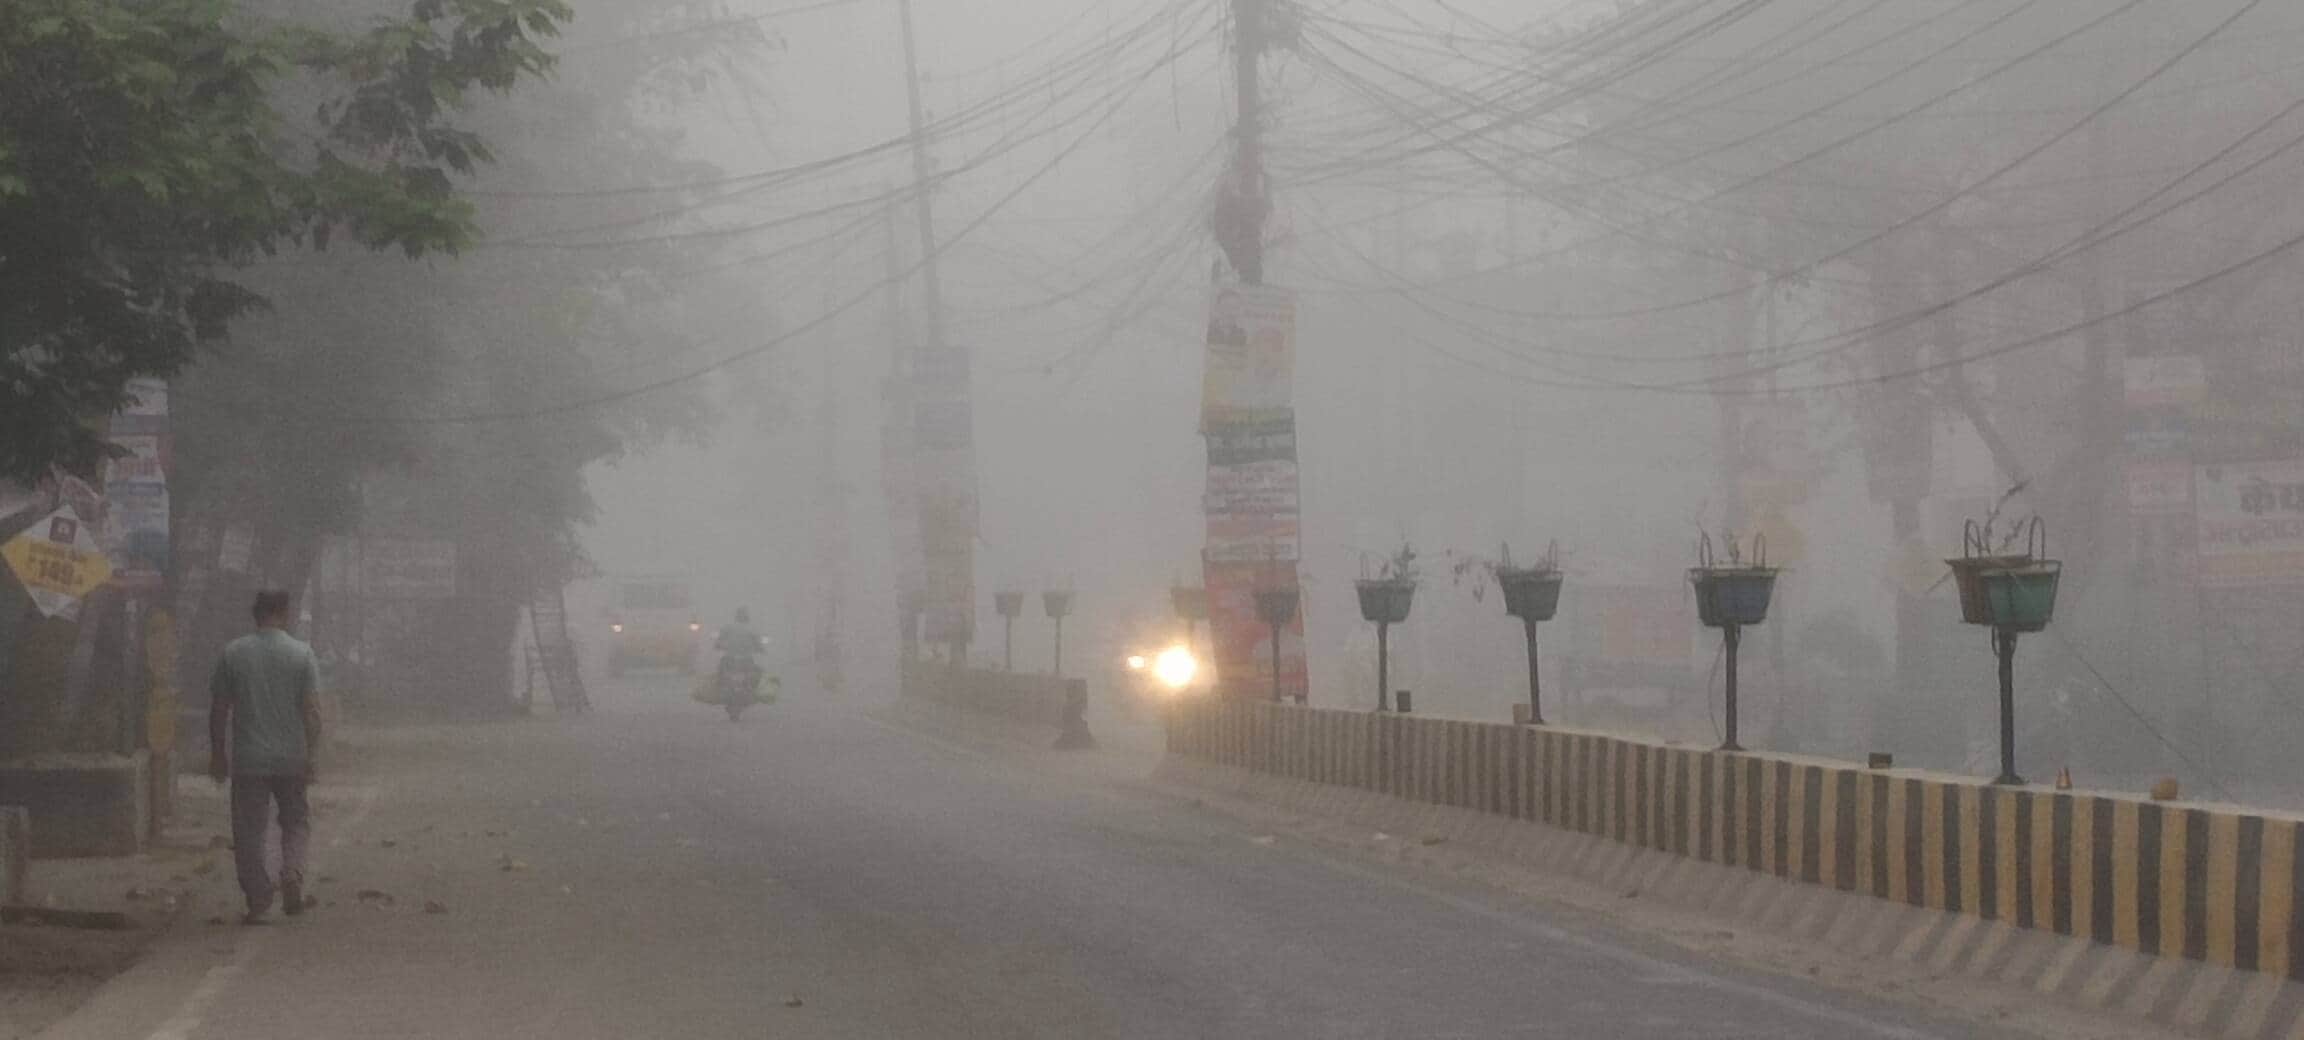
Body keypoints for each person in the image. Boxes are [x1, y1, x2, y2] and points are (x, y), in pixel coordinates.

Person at [208, 590, 323, 924]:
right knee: (296, 821)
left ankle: (258, 897)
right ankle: (292, 874)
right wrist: (312, 756)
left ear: (255, 614)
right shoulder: (302, 654)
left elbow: (218, 710)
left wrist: (218, 754)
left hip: (249, 760)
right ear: (285, 614)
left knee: (249, 831)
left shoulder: (234, 653)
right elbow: (313, 713)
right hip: (291, 758)